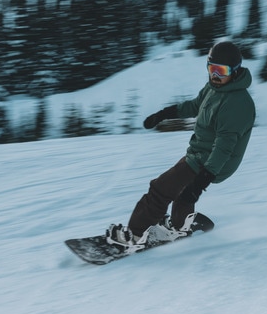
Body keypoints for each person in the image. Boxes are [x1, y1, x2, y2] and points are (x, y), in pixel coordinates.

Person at [107, 41, 256, 248]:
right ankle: (179, 227)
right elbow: (195, 106)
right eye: (212, 69)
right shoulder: (214, 88)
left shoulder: (237, 103)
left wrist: (203, 180)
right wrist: (165, 114)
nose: (215, 76)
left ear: (235, 71)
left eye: (221, 71)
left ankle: (133, 236)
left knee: (160, 189)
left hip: (215, 161)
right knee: (182, 190)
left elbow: (224, 147)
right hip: (201, 153)